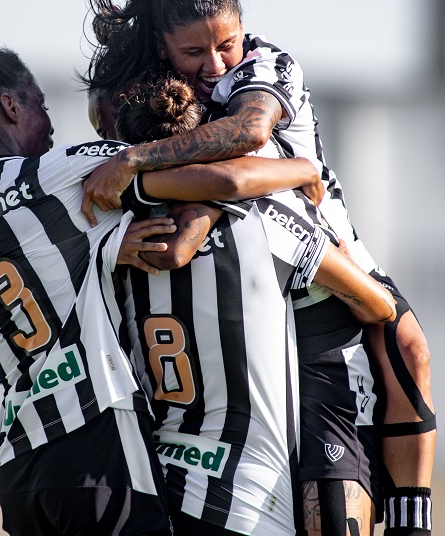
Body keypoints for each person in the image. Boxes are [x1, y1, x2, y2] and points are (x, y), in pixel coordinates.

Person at [0, 25, 332, 535]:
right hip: (92, 443)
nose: (50, 122)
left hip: (18, 460)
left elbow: (47, 268)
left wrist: (111, 248)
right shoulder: (56, 173)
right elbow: (217, 177)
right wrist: (298, 168)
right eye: (39, 103)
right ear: (10, 106)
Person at [81, 0, 435, 536]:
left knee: (407, 344)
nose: (216, 64)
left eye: (228, 44)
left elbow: (246, 139)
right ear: (163, 47)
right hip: (248, 303)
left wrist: (136, 163)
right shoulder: (157, 87)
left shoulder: (267, 65)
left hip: (321, 276)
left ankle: (413, 518)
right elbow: (110, 120)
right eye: (195, 53)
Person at [110, 71, 398, 535]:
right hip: (249, 501)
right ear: (203, 142)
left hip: (157, 490)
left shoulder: (110, 237)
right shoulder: (263, 217)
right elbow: (379, 307)